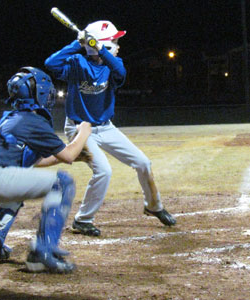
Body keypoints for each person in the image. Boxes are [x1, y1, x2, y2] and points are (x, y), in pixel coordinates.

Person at [45, 20, 176, 237]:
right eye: (114, 41)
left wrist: (100, 49)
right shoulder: (77, 62)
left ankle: (154, 206)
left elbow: (120, 72)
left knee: (143, 163)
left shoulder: (112, 65)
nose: (118, 45)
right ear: (99, 44)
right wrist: (77, 44)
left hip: (105, 127)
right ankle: (82, 220)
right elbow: (51, 63)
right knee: (104, 171)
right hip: (80, 129)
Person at [0, 67, 91, 273]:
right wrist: (83, 132)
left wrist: (71, 155)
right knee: (63, 183)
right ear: (38, 94)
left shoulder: (9, 118)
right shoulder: (34, 120)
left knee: (17, 178)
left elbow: (31, 162)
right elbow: (68, 155)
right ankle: (42, 251)